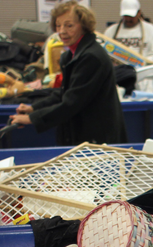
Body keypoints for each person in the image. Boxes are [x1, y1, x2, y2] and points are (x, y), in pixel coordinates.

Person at [10, 1, 128, 146]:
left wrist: (32, 118)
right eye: (58, 25)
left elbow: (72, 102)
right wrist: (34, 107)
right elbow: (65, 92)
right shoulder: (71, 56)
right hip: (83, 136)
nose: (62, 31)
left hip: (98, 140)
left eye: (69, 25)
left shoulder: (91, 57)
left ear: (84, 26)